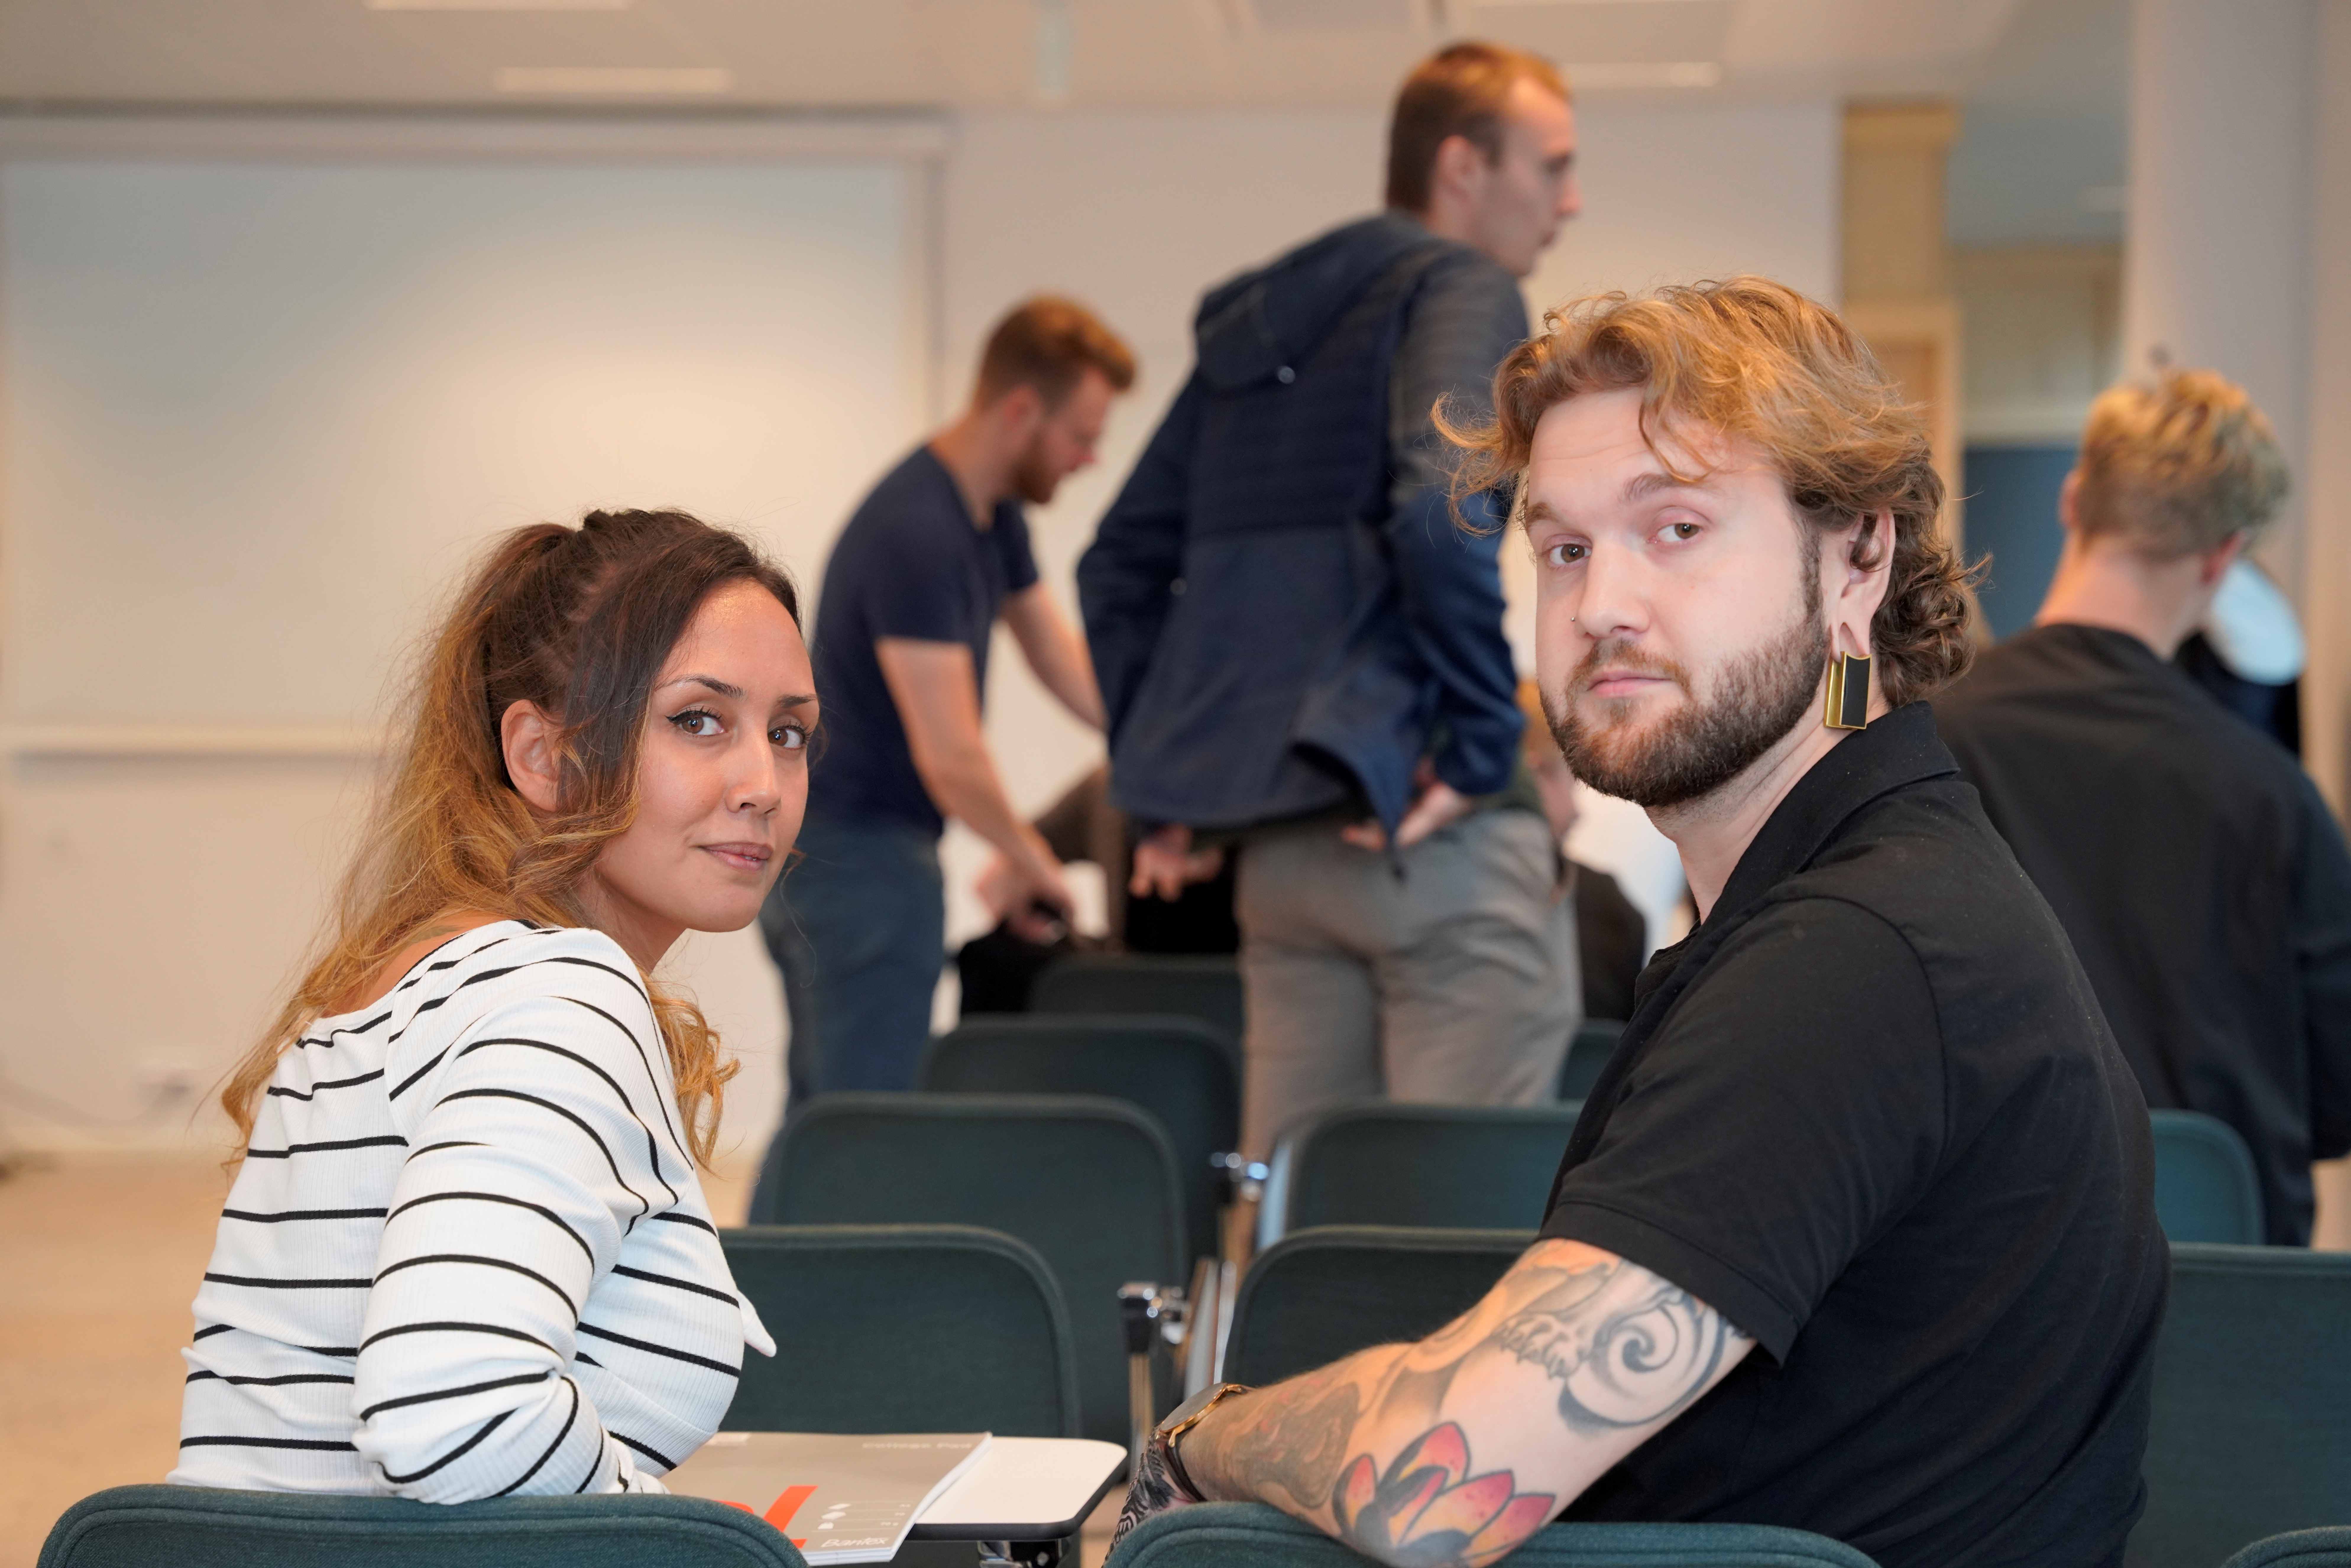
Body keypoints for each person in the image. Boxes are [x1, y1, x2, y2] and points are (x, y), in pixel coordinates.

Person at [1111, 280, 2166, 1568]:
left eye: (1674, 528)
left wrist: (1195, 1440)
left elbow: (1431, 1489)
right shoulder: (1851, 898)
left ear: (1856, 558)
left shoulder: (1857, 956)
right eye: (1561, 549)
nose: (1601, 600)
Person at [176, 510, 808, 1498]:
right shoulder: (558, 997)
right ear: (545, 756)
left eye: (789, 732)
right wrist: (679, 1541)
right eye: (699, 720)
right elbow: (452, 1414)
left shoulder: (407, 981)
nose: (765, 783)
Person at [1078, 42, 1583, 1156]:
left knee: (1305, 1229)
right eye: (1552, 167)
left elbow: (1114, 567)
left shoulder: (1265, 326)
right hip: (1432, 849)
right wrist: (1484, 739)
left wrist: (1169, 779)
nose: (1570, 201)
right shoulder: (1467, 287)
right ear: (1463, 166)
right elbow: (1438, 501)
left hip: (1286, 866)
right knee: (1455, 1232)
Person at [1936, 369, 2351, 1244]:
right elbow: (2336, 1099)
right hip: (2225, 1289)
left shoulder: (1923, 748)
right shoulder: (2275, 797)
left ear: (2075, 498)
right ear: (2223, 556)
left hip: (1982, 1280)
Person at [763, 298, 1133, 1100]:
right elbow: (953, 757)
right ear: (1022, 410)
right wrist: (1036, 864)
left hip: (858, 857)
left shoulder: (990, 515)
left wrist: (1151, 738)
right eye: (1082, 437)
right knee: (861, 1131)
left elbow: (1054, 651)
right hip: (856, 863)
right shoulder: (918, 532)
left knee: (825, 1123)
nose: (1088, 459)